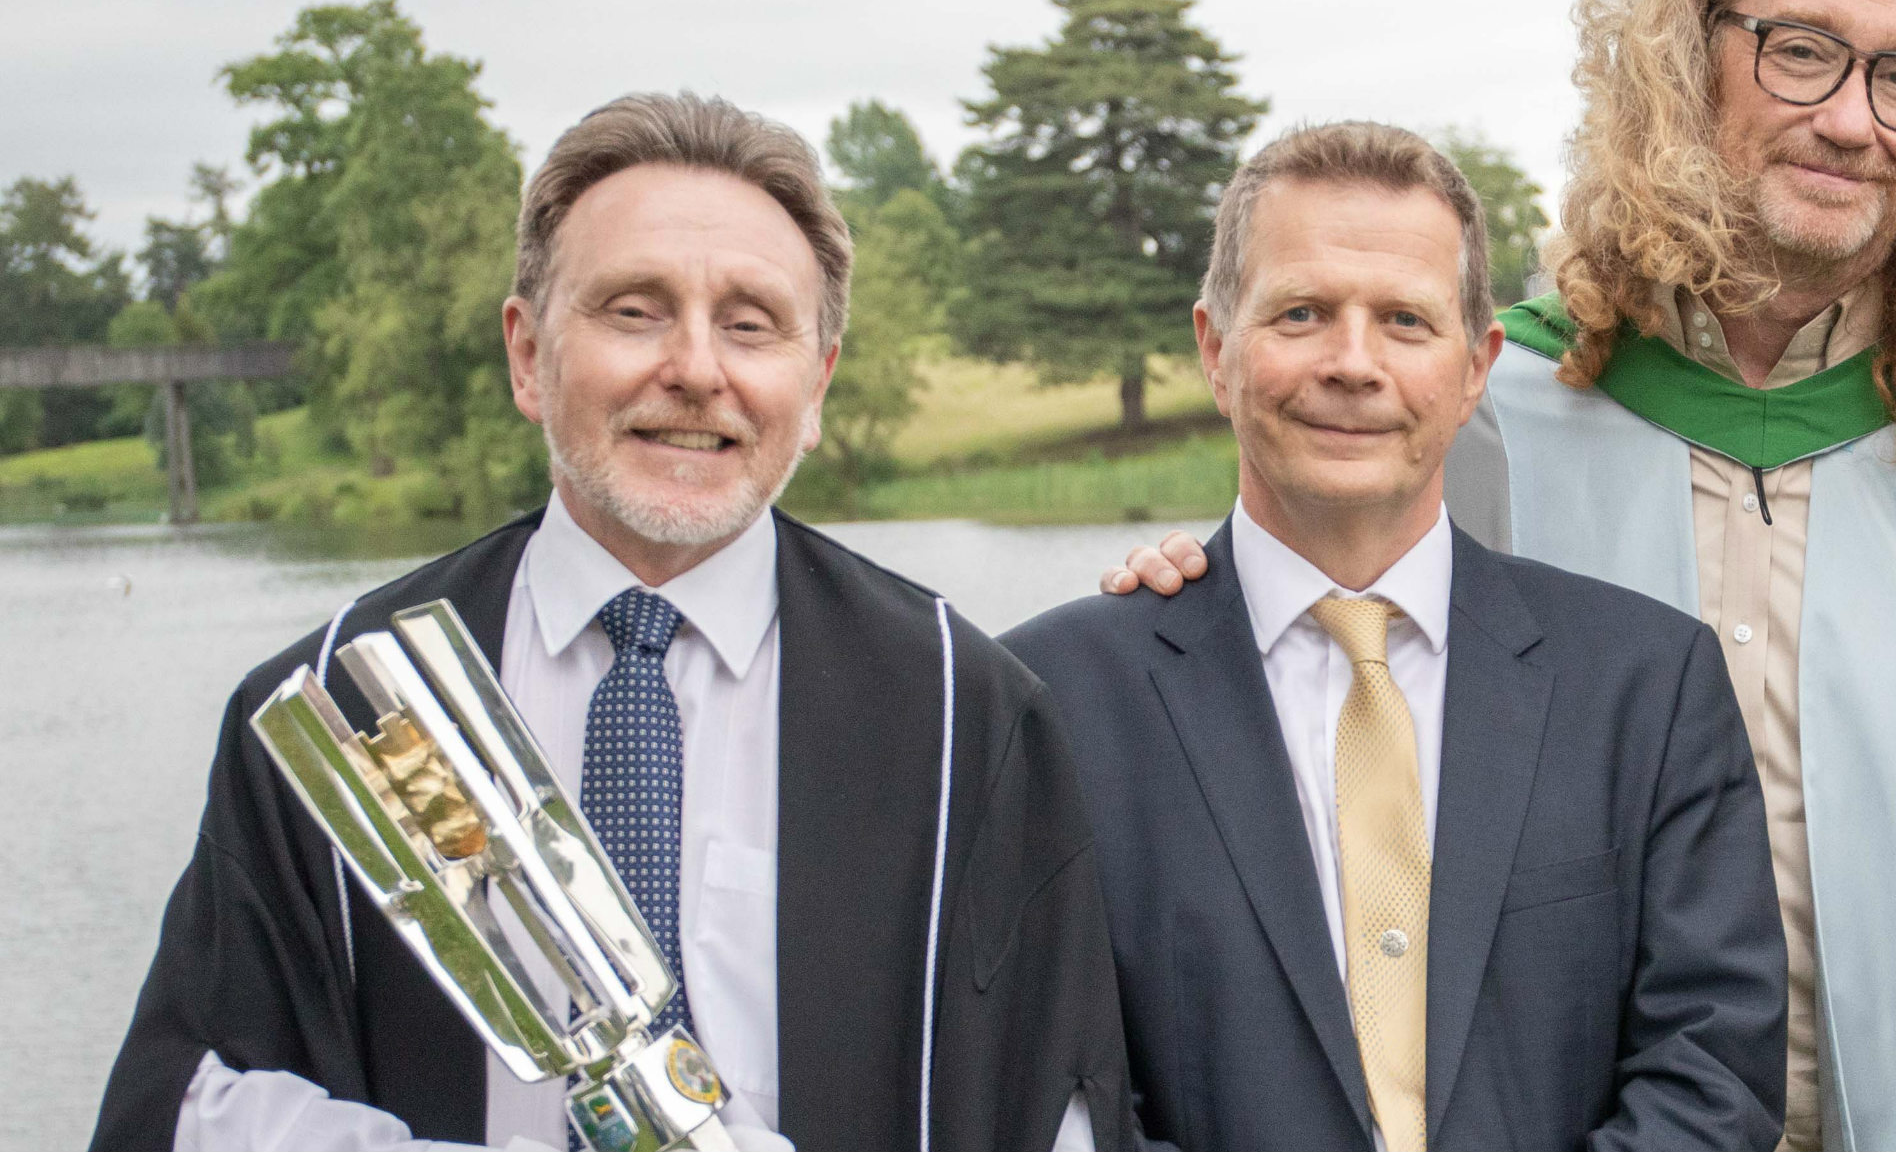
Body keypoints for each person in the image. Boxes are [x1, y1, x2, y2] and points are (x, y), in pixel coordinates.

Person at [1107, 0, 1896, 1151]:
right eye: (1799, 50)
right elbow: (1300, 652)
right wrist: (1194, 599)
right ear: (1688, 62)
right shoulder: (1486, 422)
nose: (1851, 119)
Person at [91, 93, 1127, 1152]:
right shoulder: (347, 703)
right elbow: (180, 1107)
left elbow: (1057, 1116)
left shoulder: (960, 712)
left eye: (749, 324)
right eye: (633, 310)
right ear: (527, 354)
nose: (693, 368)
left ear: (814, 385)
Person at [1006, 121, 1786, 1151]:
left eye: (1405, 322)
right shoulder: (1046, 701)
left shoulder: (1645, 688)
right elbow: (1045, 1090)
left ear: (1476, 366)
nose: (1352, 363)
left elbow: (1712, 1069)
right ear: (1214, 349)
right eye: (1300, 312)